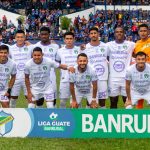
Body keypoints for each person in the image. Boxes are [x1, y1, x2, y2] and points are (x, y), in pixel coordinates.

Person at [107, 26, 135, 108]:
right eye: (117, 32)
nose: (119, 33)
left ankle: (129, 119)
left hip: (126, 78)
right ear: (114, 34)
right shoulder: (108, 45)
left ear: (124, 33)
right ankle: (113, 119)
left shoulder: (131, 44)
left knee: (127, 102)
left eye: (121, 32)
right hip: (113, 78)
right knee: (113, 102)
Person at [82, 27, 109, 108]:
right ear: (89, 35)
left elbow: (109, 58)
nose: (93, 35)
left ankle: (103, 118)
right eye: (91, 33)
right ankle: (86, 118)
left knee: (102, 100)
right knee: (89, 100)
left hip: (103, 78)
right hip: (90, 78)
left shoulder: (105, 46)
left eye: (95, 33)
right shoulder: (85, 47)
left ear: (98, 34)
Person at [34, 26, 59, 107]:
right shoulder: (36, 46)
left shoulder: (55, 46)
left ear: (49, 35)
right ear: (39, 35)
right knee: (39, 99)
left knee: (52, 99)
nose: (44, 36)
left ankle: (53, 117)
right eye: (42, 34)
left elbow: (58, 60)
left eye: (46, 34)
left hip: (51, 75)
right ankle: (38, 117)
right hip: (39, 74)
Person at [9, 30, 34, 108]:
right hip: (15, 78)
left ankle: (31, 117)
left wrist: (31, 44)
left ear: (25, 37)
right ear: (15, 38)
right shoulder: (10, 48)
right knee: (13, 99)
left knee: (30, 99)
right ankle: (13, 117)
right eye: (18, 37)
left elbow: (41, 50)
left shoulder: (30, 47)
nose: (20, 39)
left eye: (22, 37)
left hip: (28, 78)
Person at [56, 31, 80, 108]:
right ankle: (63, 119)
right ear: (64, 40)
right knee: (63, 101)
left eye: (71, 38)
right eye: (67, 39)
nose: (69, 40)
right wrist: (66, 67)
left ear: (74, 40)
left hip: (77, 79)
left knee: (77, 102)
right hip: (64, 79)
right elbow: (57, 64)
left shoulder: (79, 50)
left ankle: (77, 118)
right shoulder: (60, 51)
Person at [132, 24, 150, 109]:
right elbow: (134, 57)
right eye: (141, 31)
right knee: (140, 99)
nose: (143, 33)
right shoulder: (136, 44)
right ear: (138, 32)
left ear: (148, 31)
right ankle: (140, 119)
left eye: (145, 31)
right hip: (141, 74)